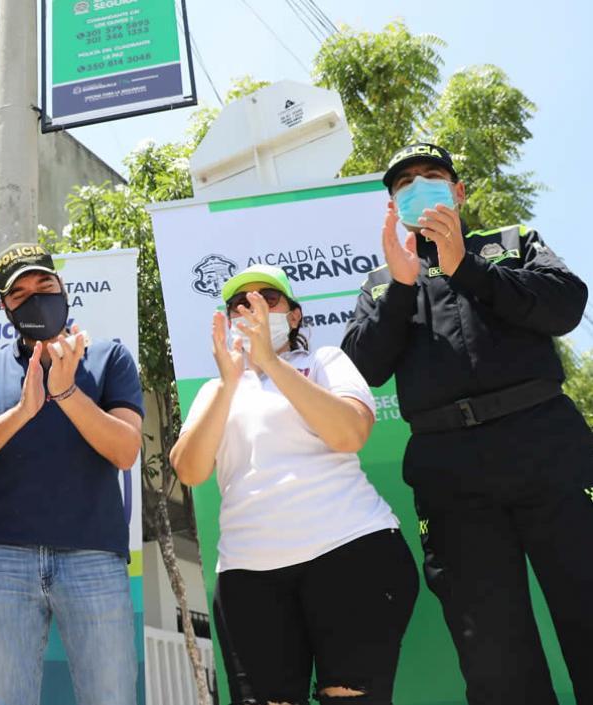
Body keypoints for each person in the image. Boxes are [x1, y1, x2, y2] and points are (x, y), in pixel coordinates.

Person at [342, 143, 593, 705]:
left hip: (548, 451)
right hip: (451, 477)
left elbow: (566, 305)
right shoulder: (383, 283)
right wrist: (403, 289)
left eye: (433, 176)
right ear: (392, 205)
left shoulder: (511, 244)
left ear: (457, 192)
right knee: (494, 658)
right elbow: (359, 369)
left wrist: (467, 270)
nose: (420, 187)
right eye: (405, 183)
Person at [172, 264, 418, 704]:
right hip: (250, 576)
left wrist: (270, 362)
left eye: (268, 298)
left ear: (294, 315)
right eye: (239, 304)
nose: (254, 309)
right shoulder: (214, 390)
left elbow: (350, 434)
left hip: (351, 553)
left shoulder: (324, 362)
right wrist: (232, 382)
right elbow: (190, 471)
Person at [0, 243, 144, 705]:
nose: (35, 297)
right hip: (4, 561)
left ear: (63, 288)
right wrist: (22, 412)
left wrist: (67, 391)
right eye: (20, 293)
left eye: (45, 285)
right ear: (4, 306)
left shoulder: (109, 356)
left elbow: (125, 449)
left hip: (94, 556)